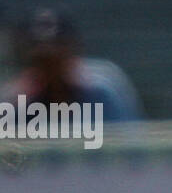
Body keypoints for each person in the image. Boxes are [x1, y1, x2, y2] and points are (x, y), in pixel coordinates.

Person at [1, 7, 143, 122]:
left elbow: (129, 146)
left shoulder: (104, 90)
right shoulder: (14, 102)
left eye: (57, 57)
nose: (51, 67)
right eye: (42, 60)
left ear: (73, 51)